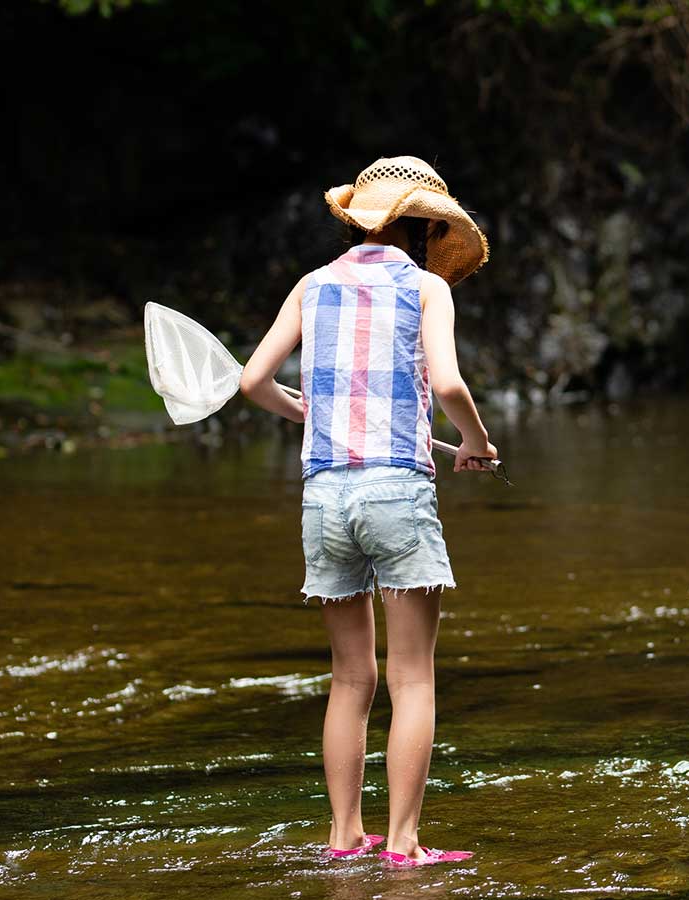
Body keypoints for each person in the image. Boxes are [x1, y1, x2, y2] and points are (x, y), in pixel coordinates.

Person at [238, 156, 498, 868]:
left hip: (324, 497)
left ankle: (344, 836)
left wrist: (300, 409)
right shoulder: (426, 289)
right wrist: (474, 440)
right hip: (396, 494)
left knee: (352, 678)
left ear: (359, 218)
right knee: (413, 677)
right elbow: (446, 382)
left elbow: (253, 380)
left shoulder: (312, 285)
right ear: (427, 228)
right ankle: (406, 844)